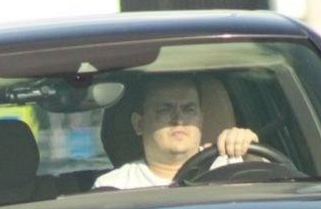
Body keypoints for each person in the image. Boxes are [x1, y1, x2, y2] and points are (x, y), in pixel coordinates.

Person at [94, 75, 259, 189]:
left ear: (200, 121)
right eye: (164, 109)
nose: (179, 119)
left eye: (189, 109)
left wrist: (252, 152)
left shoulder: (234, 166)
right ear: (139, 124)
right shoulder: (114, 187)